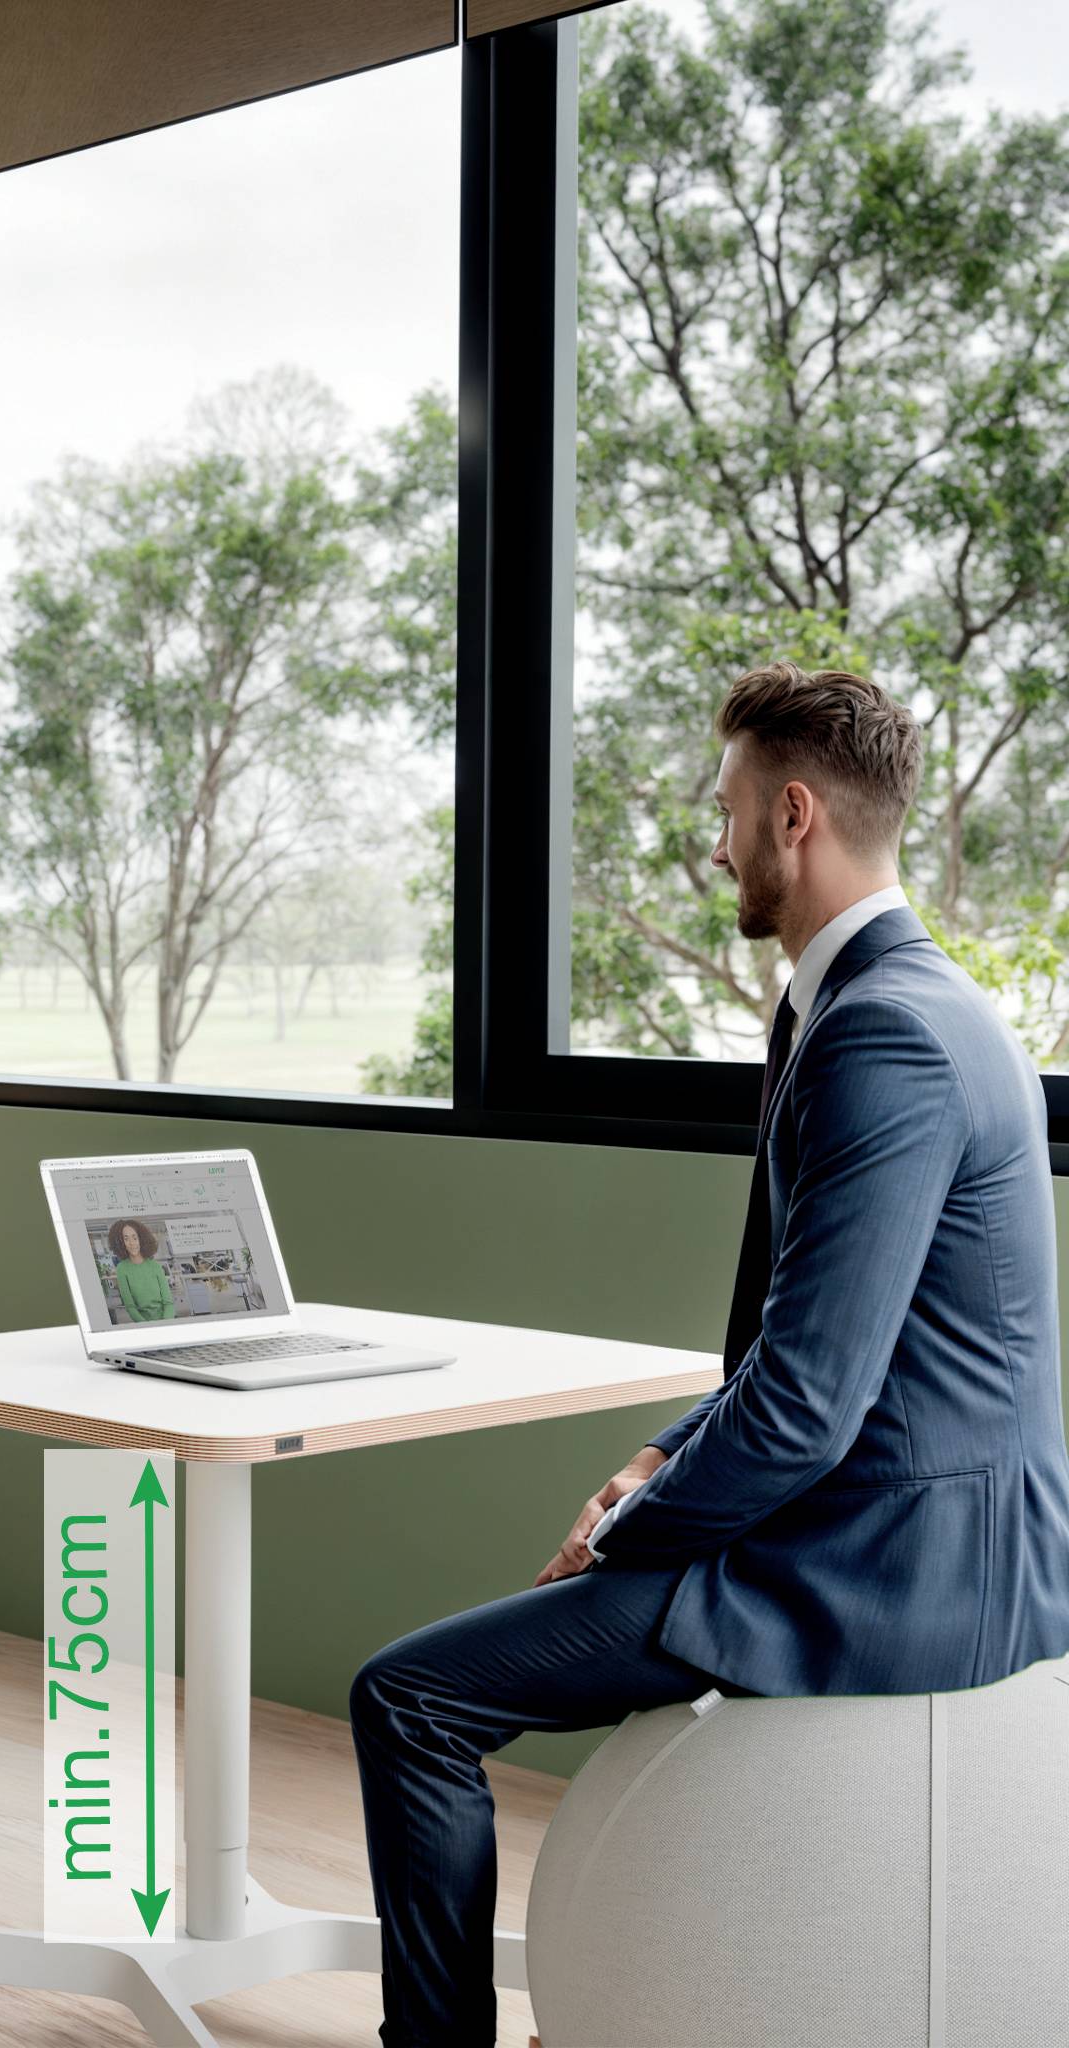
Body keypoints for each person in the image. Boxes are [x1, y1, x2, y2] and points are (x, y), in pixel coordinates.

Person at [348, 662, 1069, 2047]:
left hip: (895, 1572)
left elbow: (803, 1409)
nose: (720, 842)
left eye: (730, 809)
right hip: (928, 1528)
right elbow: (806, 1349)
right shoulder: (911, 1004)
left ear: (795, 814)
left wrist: (625, 1545)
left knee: (412, 1698)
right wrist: (651, 1460)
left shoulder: (884, 1039)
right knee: (475, 1653)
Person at [109, 1218, 175, 1322]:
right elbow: (130, 1306)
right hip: (142, 1323)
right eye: (126, 1239)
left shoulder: (155, 1266)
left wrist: (165, 1324)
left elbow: (168, 1302)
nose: (131, 1243)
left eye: (135, 1238)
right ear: (121, 1242)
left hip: (165, 1320)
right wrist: (146, 1327)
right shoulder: (122, 1269)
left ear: (141, 1239)